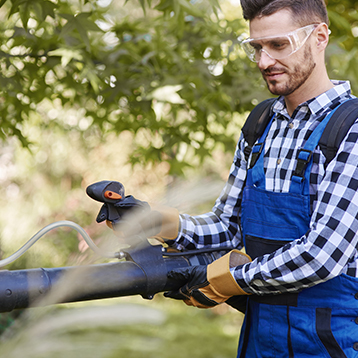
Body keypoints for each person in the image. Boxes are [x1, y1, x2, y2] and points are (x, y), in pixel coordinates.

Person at [101, 1, 358, 357]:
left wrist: (229, 280)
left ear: (319, 37)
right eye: (257, 48)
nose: (264, 62)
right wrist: (158, 222)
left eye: (278, 45)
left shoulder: (351, 129)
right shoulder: (261, 125)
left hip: (331, 340)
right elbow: (228, 228)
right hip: (259, 337)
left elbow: (323, 255)